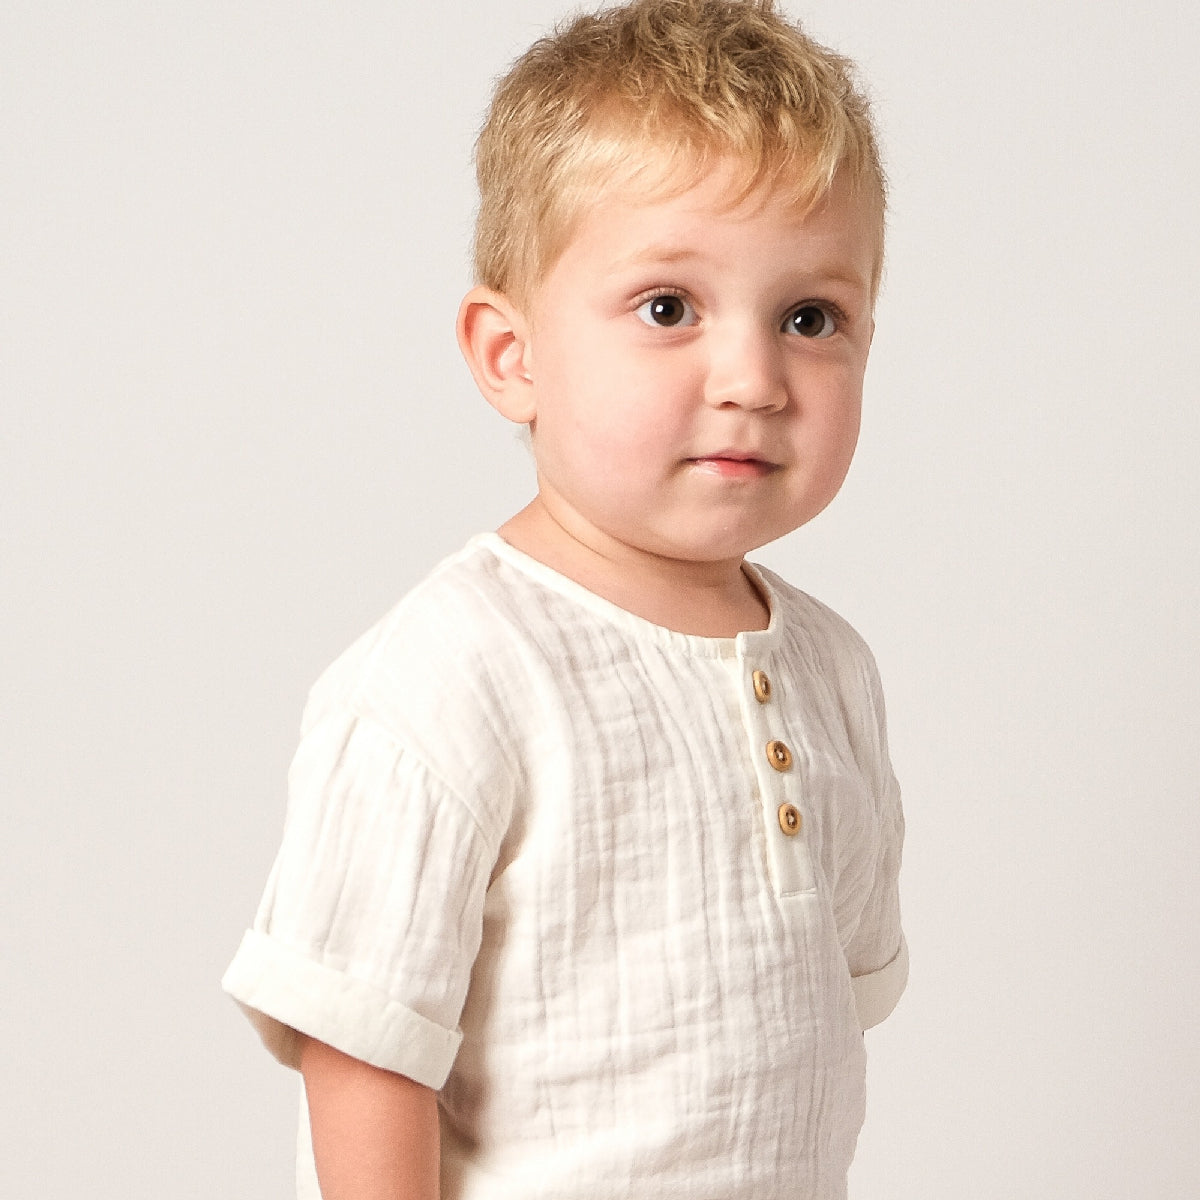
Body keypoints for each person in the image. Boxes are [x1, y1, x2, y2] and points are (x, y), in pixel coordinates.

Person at [222, 1, 907, 1196]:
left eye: (810, 318)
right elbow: (364, 1047)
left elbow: (822, 1027)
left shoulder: (832, 671)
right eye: (668, 308)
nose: (752, 379)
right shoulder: (454, 674)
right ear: (512, 355)